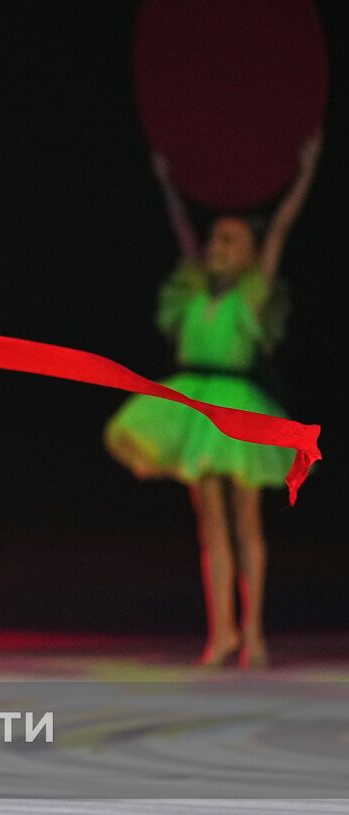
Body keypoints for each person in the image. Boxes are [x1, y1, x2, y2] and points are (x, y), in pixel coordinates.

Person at [105, 133, 321, 669]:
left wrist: (305, 173)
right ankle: (221, 630)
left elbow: (283, 230)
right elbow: (181, 231)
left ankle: (254, 631)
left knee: (248, 520)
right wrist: (168, 184)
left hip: (239, 405)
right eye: (215, 240)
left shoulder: (252, 292)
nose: (216, 247)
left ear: (248, 252)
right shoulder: (196, 291)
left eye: (228, 241)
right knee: (211, 525)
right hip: (195, 405)